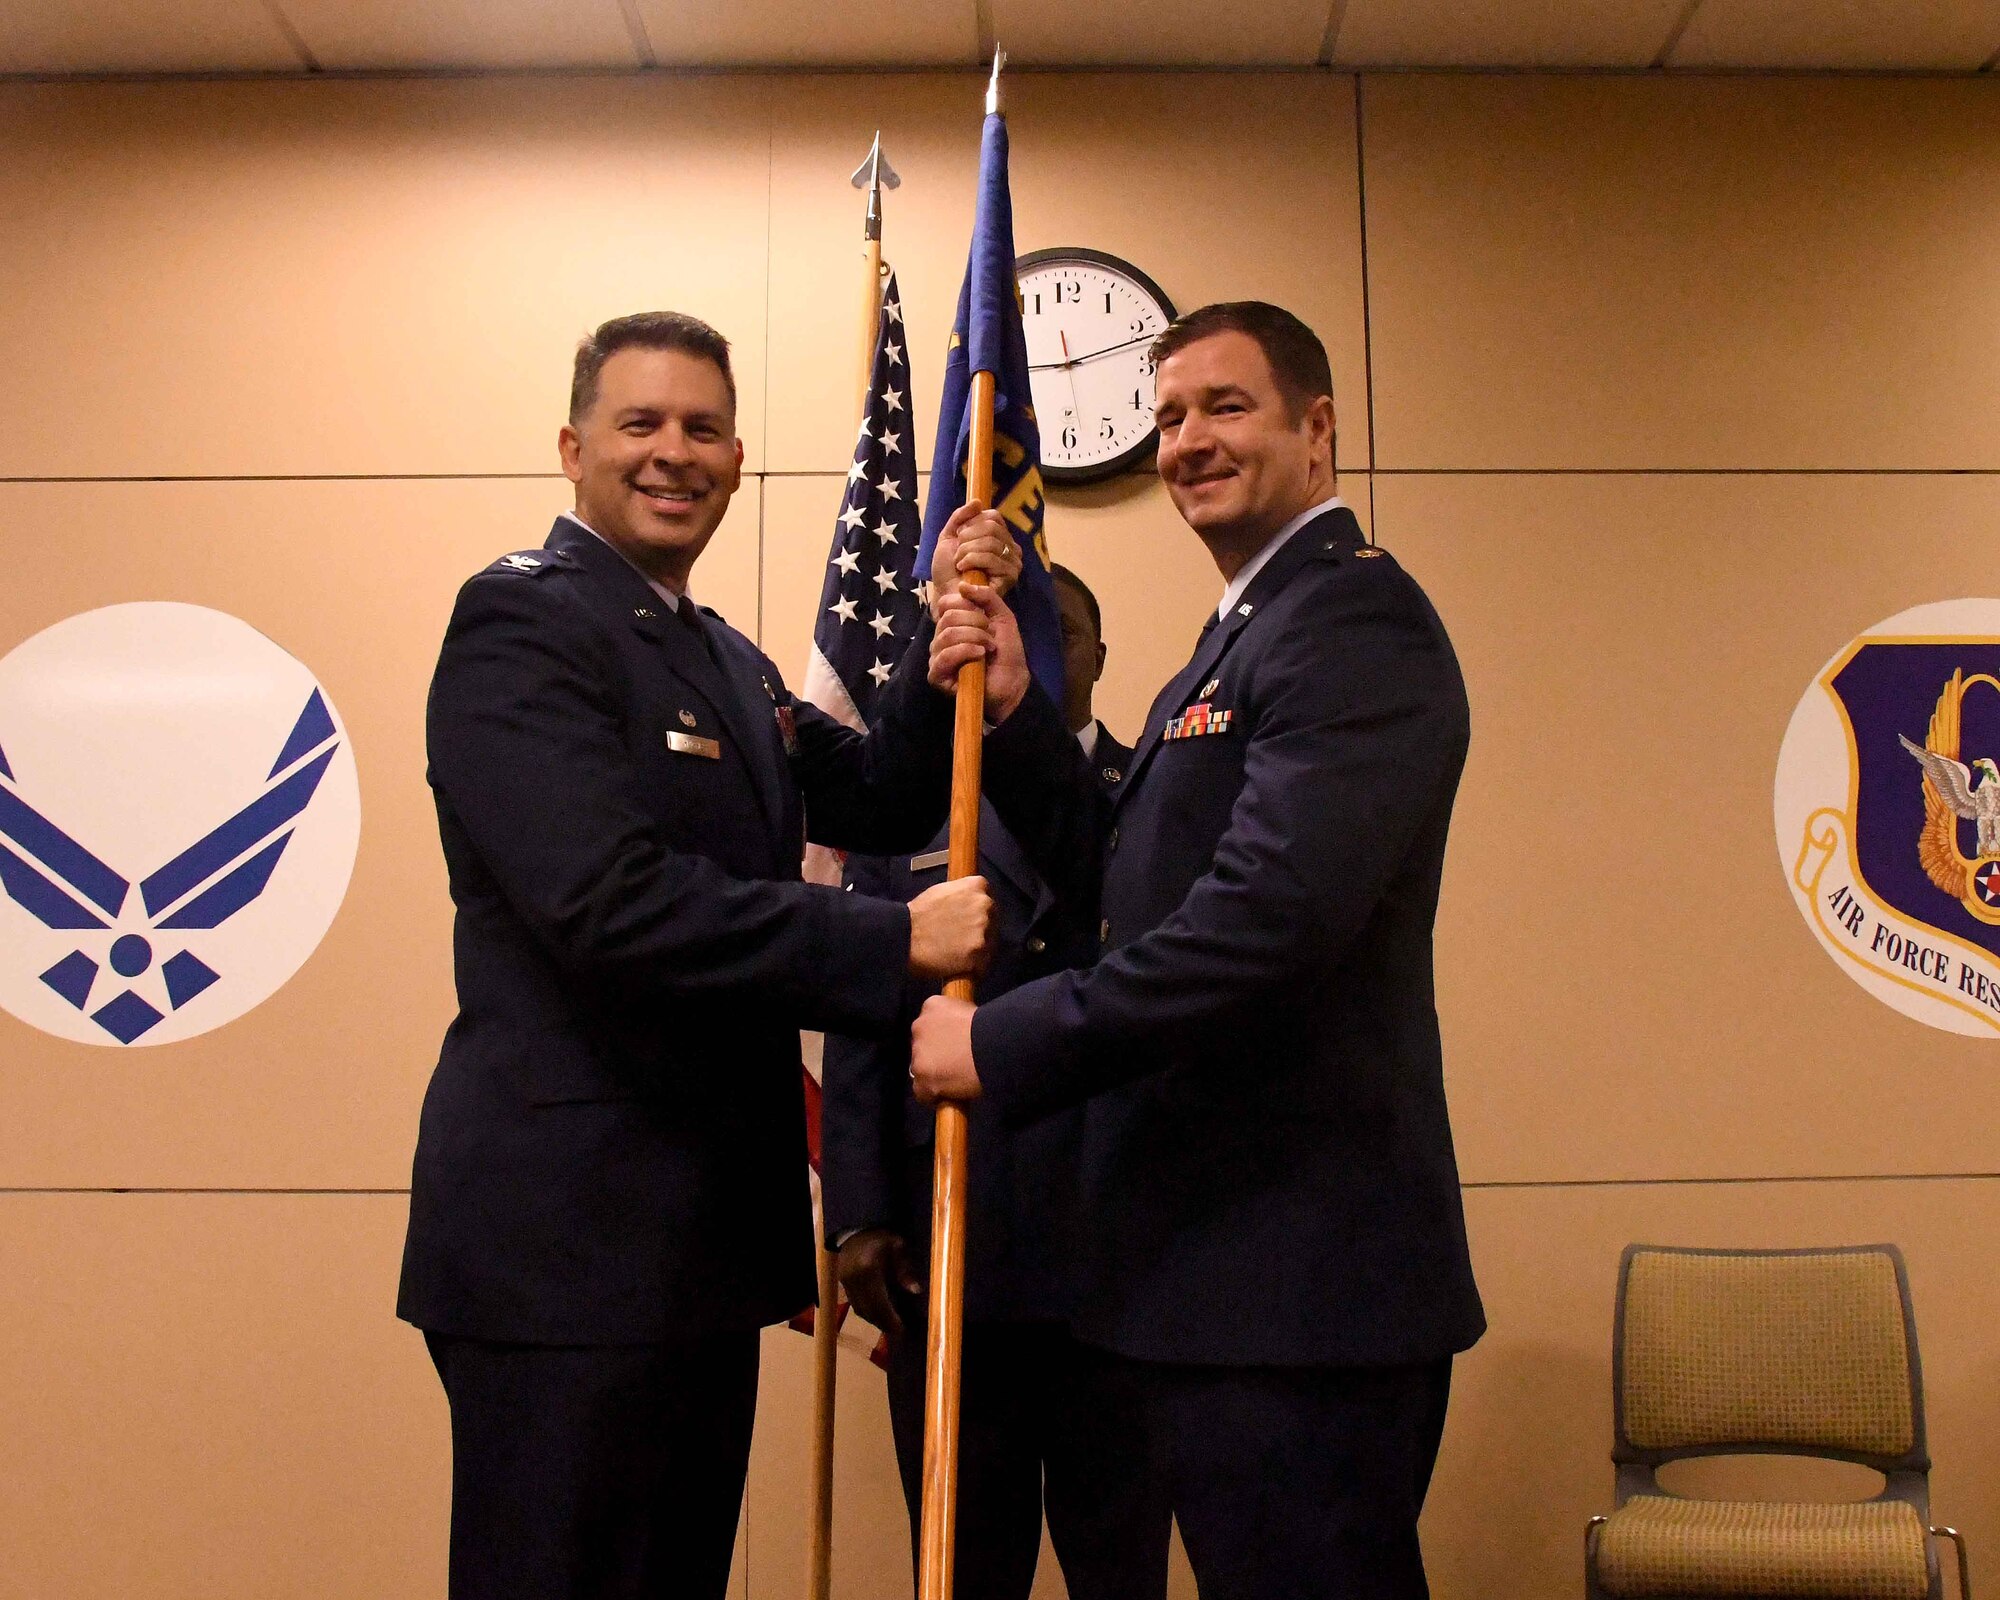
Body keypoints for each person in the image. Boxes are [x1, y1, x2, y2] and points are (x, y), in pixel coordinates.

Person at [396, 310, 1016, 1600]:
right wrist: (887, 936)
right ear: (573, 447)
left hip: (693, 1244)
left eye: (700, 429)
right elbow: (604, 904)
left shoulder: (720, 656)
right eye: (640, 425)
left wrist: (940, 647)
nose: (671, 453)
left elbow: (881, 797)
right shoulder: (521, 626)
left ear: (737, 459)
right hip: (562, 1248)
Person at [913, 302, 1485, 1600]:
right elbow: (1132, 882)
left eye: (1225, 407)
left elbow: (1258, 928)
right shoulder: (1243, 632)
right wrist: (1009, 716)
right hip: (1219, 1283)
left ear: (1318, 431)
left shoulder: (1352, 628)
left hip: (1302, 1295)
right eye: (1166, 417)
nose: (1185, 443)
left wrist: (997, 1044)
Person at [821, 564, 1162, 1600]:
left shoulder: (1142, 797)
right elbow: (863, 1016)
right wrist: (858, 1213)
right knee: (961, 1566)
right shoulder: (923, 801)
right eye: (1016, 626)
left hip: (1115, 1251)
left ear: (1098, 655)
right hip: (950, 1246)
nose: (1036, 646)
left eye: (1059, 631)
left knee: (1120, 1568)